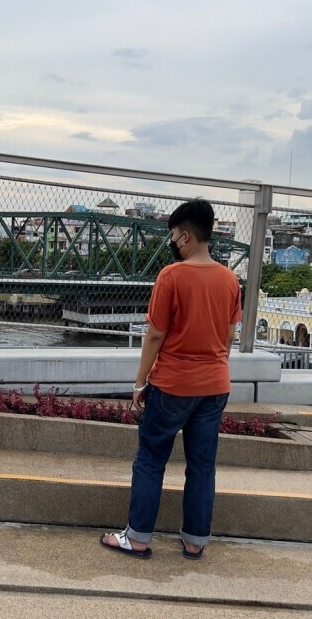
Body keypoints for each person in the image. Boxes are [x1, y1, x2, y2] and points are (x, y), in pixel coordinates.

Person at [100, 199, 242, 560]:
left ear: (185, 236)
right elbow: (229, 337)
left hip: (174, 384)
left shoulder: (171, 276)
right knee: (202, 465)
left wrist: (139, 383)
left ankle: (138, 538)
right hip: (215, 385)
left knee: (151, 459)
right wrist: (213, 368)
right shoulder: (229, 280)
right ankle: (195, 541)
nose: (173, 242)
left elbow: (155, 335)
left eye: (174, 235)